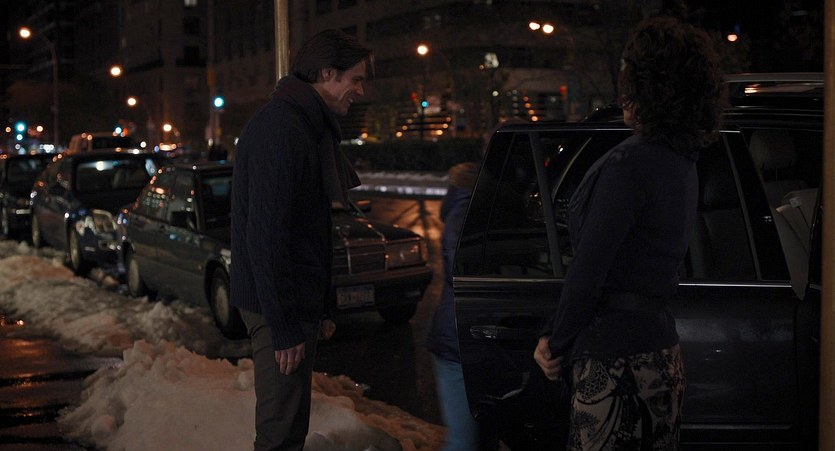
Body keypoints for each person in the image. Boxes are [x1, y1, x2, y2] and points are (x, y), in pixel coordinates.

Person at [533, 17, 725, 449]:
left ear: (648, 86)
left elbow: (589, 270)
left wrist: (555, 341)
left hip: (615, 360)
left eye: (630, 74)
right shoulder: (682, 160)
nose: (623, 88)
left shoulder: (631, 163)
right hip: (662, 354)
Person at [230, 29, 373, 451]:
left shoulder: (304, 124)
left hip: (291, 302)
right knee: (280, 435)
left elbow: (308, 228)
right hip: (277, 306)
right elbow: (266, 236)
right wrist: (284, 324)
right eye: (355, 79)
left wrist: (320, 305)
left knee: (290, 427)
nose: (360, 91)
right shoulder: (282, 128)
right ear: (327, 73)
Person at [425, 161, 482, 451]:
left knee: (472, 436)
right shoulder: (466, 210)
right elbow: (457, 268)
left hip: (456, 335)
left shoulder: (463, 207)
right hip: (455, 339)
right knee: (463, 440)